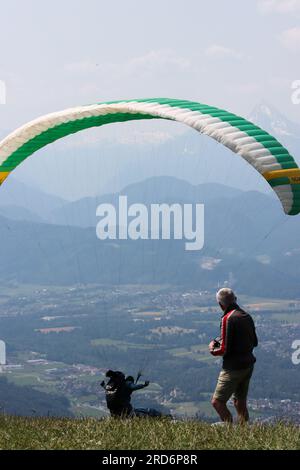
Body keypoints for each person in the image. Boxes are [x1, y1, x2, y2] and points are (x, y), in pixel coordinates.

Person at [209, 288, 258, 423]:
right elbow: (255, 342)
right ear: (235, 299)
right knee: (239, 402)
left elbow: (223, 349)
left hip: (233, 368)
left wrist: (212, 349)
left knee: (217, 402)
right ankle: (243, 434)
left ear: (220, 304)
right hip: (248, 365)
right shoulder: (246, 316)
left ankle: (230, 433)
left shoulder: (227, 318)